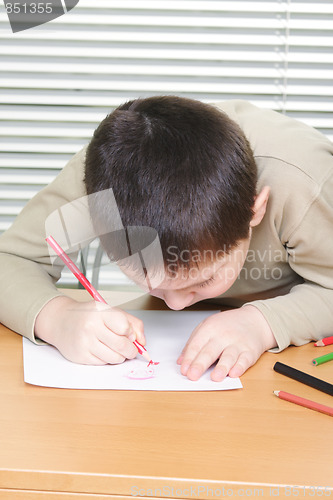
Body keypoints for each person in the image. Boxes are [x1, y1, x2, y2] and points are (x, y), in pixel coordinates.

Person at [0, 96, 332, 382]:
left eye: (205, 279)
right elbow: (11, 259)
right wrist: (55, 317)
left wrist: (263, 324)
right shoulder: (105, 180)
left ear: (254, 211)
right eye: (148, 280)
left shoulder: (305, 182)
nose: (174, 304)